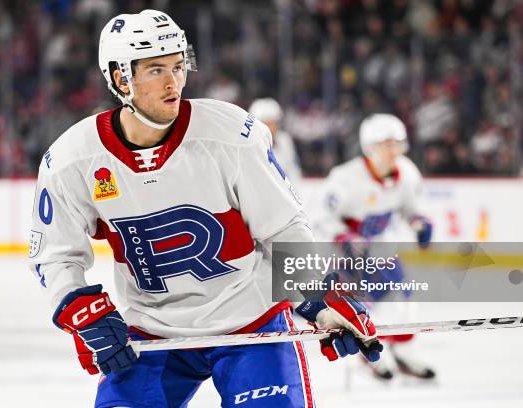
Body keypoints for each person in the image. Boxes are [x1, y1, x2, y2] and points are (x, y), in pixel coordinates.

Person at [28, 10, 382, 407]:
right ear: (120, 78)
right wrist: (82, 311)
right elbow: (54, 254)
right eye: (156, 69)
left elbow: (283, 229)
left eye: (179, 66)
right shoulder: (73, 159)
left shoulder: (231, 135)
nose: (172, 82)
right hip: (151, 333)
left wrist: (317, 301)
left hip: (252, 324)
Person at [315, 113, 435, 380]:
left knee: (404, 301)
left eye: (397, 144)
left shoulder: (407, 172)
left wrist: (421, 222)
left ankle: (404, 350)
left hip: (380, 247)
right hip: (345, 255)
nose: (394, 151)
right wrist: (342, 237)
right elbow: (319, 217)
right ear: (370, 146)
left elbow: (413, 207)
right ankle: (372, 353)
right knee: (366, 308)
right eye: (387, 144)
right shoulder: (345, 178)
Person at [248, 97, 303, 183]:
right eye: (267, 124)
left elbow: (294, 171)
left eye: (274, 123)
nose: (272, 129)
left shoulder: (285, 140)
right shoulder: (248, 146)